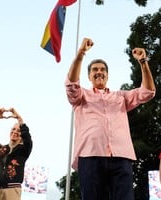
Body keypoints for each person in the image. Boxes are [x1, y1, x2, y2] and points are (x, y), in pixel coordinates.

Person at [65, 38, 156, 200]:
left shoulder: (121, 96)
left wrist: (143, 62)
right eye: (94, 69)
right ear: (89, 76)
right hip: (90, 156)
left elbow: (148, 92)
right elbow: (71, 83)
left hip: (121, 157)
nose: (99, 71)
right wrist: (80, 54)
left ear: (107, 75)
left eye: (102, 69)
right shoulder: (81, 96)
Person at [0, 107, 33, 200]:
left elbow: (28, 141)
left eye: (18, 130)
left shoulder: (23, 150)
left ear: (22, 135)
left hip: (11, 191)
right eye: (13, 129)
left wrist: (20, 120)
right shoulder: (0, 149)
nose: (15, 132)